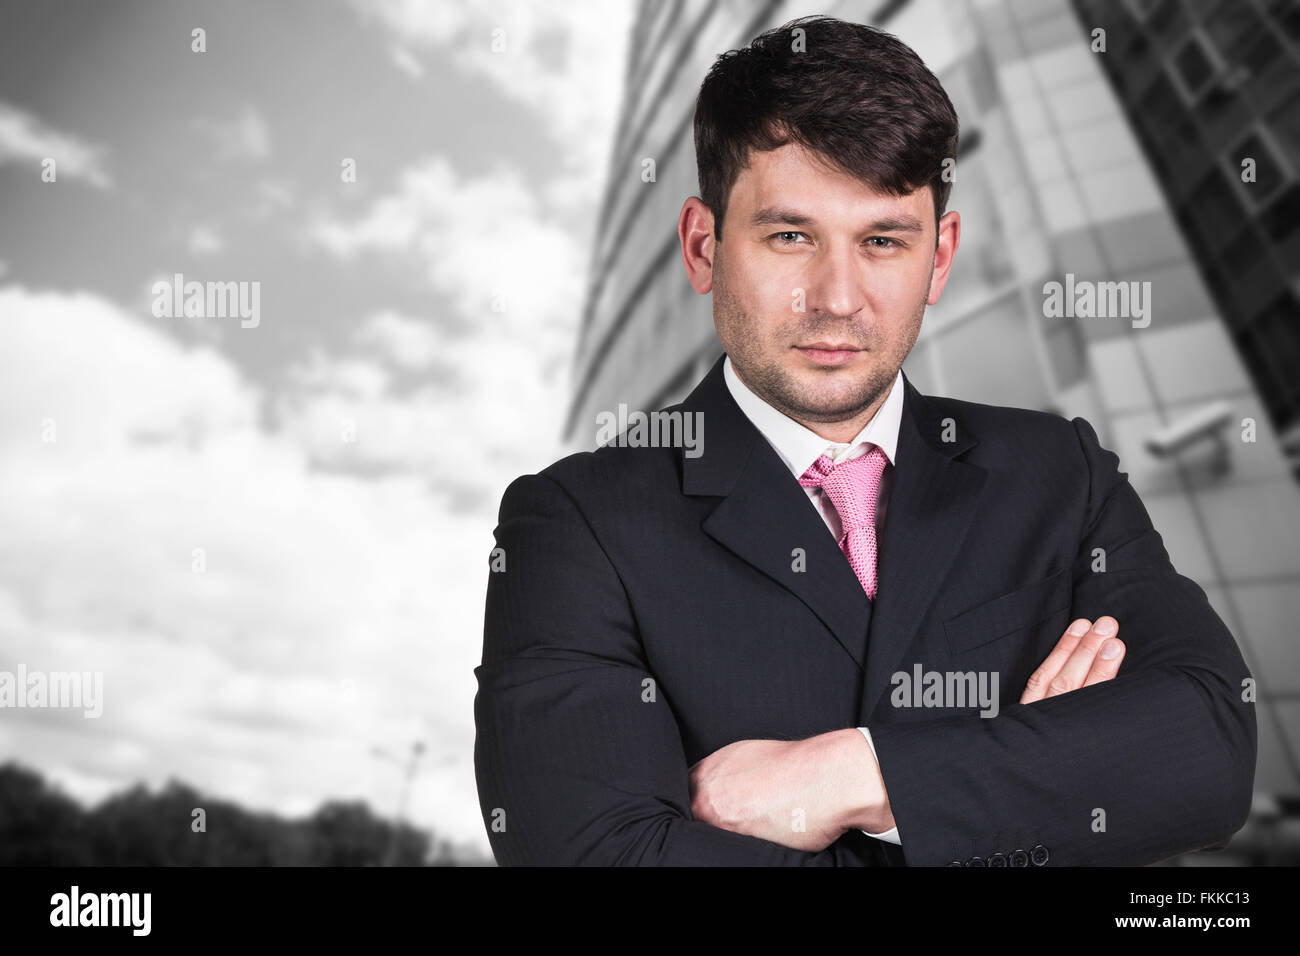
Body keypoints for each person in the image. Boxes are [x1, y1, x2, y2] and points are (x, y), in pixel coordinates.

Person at [473, 15, 1256, 866]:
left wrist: (849, 774)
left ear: (941, 256)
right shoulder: (576, 524)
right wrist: (1042, 775)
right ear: (704, 249)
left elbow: (1206, 745)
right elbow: (594, 856)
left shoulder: (1060, 475)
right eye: (790, 236)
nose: (838, 297)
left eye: (882, 241)